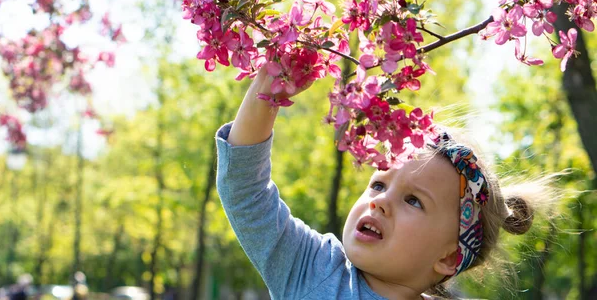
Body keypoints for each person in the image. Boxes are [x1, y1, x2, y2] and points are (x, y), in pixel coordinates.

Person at [215, 68, 554, 299]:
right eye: (378, 184)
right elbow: (246, 192)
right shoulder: (312, 267)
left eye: (413, 200)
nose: (380, 201)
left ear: (449, 258)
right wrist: (267, 88)